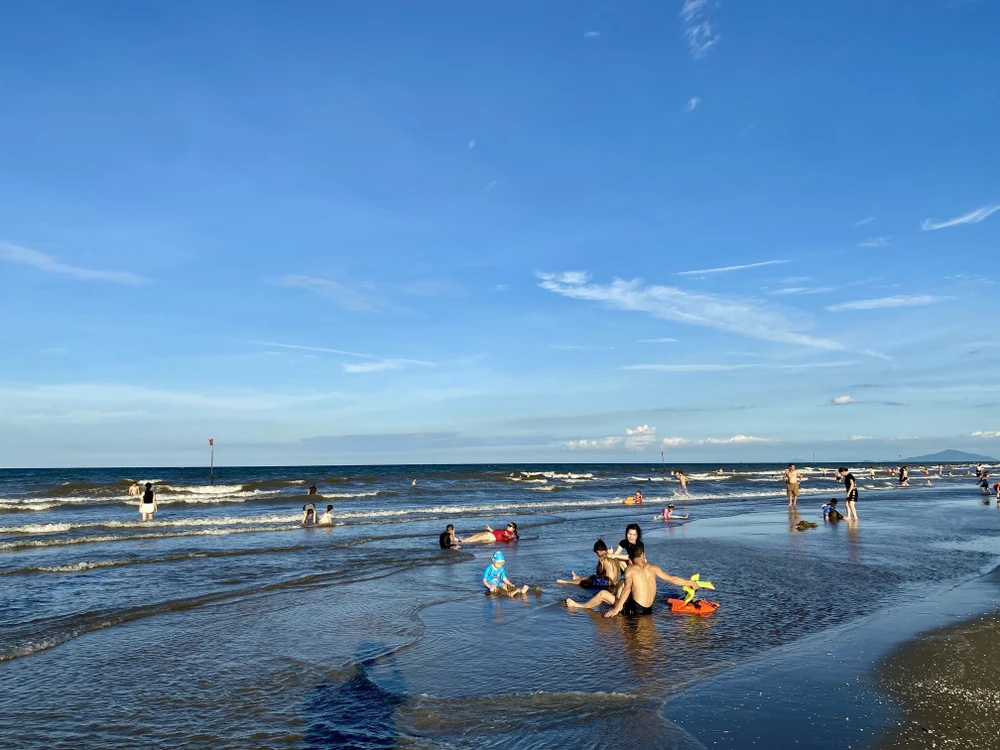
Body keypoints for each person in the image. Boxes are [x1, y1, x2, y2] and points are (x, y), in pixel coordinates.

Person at [565, 542, 705, 616]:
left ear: (630, 558)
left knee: (602, 594)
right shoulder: (653, 567)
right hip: (648, 609)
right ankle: (616, 603)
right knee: (622, 584)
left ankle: (579, 606)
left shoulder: (630, 569)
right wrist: (690, 582)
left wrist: (617, 608)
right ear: (643, 554)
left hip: (636, 611)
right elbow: (673, 579)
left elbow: (627, 590)